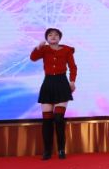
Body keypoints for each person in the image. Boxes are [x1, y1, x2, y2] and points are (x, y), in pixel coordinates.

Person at [30, 28, 77, 160]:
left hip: (62, 83)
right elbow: (33, 58)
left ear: (59, 38)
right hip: (48, 83)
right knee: (47, 120)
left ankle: (61, 149)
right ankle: (47, 151)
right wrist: (38, 47)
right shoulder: (44, 49)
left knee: (58, 118)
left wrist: (72, 81)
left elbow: (73, 67)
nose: (53, 37)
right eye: (50, 35)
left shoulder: (67, 50)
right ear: (47, 38)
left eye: (56, 35)